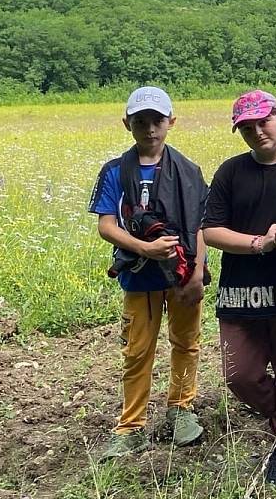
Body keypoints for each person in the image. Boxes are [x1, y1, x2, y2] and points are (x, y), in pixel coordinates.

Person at [202, 91, 276, 484]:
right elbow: (211, 230)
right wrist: (262, 242)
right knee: (240, 375)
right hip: (240, 293)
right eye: (247, 127)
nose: (257, 132)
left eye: (263, 122)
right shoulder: (230, 171)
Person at [89, 86, 209, 460]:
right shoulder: (114, 171)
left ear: (171, 121)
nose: (150, 129)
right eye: (141, 121)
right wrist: (144, 248)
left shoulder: (189, 171)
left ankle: (181, 410)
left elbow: (200, 226)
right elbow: (106, 225)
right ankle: (131, 426)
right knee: (137, 350)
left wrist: (197, 273)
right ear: (127, 124)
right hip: (138, 276)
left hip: (182, 273)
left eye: (157, 120)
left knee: (186, 343)